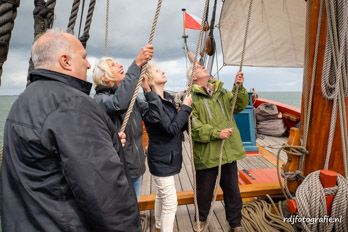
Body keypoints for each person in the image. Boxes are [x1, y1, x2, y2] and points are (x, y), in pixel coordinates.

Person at [0, 29, 141, 232]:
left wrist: (107, 143)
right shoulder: (72, 105)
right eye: (83, 57)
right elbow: (104, 193)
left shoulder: (22, 100)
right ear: (65, 61)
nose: (88, 64)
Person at [189, 64, 249, 232]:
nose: (203, 67)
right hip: (207, 155)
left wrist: (239, 87)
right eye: (199, 68)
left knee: (233, 191)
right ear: (194, 77)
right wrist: (216, 133)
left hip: (227, 151)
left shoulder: (221, 91)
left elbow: (237, 106)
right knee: (204, 192)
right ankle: (201, 220)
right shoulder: (191, 97)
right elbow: (193, 127)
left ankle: (235, 223)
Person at [92, 44, 153, 200]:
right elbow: (118, 103)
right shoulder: (100, 100)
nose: (120, 65)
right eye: (113, 65)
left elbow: (152, 115)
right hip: (119, 172)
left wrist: (147, 90)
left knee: (133, 211)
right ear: (104, 77)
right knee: (123, 215)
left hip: (135, 169)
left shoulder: (131, 98)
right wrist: (136, 64)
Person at [141, 62, 192, 232]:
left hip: (168, 156)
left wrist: (187, 113)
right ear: (148, 80)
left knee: (162, 196)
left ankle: (157, 226)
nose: (163, 71)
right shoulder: (150, 105)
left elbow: (177, 126)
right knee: (170, 203)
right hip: (162, 159)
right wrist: (185, 108)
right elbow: (170, 129)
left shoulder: (168, 98)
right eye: (157, 71)